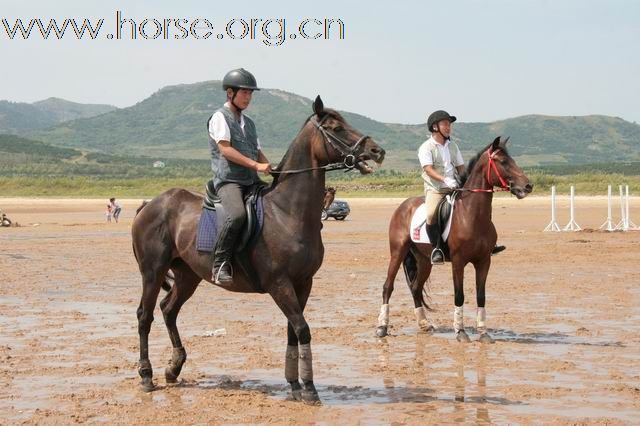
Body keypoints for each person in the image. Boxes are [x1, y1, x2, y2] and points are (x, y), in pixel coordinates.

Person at [207, 68, 271, 285]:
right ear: (230, 93)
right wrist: (255, 165)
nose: (248, 97)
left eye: (250, 94)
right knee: (236, 215)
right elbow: (225, 149)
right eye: (244, 93)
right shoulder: (219, 117)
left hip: (252, 180)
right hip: (229, 181)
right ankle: (220, 264)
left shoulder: (249, 123)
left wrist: (270, 167)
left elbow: (257, 151)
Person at [418, 110, 505, 265]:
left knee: (478, 207)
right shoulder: (426, 147)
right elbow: (428, 169)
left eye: (449, 124)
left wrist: (467, 183)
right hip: (436, 188)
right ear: (435, 127)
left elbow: (461, 168)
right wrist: (445, 179)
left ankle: (489, 243)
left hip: (456, 187)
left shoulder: (453, 146)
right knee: (431, 213)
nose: (448, 127)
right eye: (445, 124)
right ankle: (436, 248)